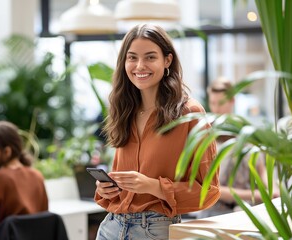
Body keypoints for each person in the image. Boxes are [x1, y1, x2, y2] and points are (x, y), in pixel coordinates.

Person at [94, 24, 220, 240]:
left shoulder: (189, 113)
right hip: (111, 227)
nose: (140, 66)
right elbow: (120, 176)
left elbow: (209, 191)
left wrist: (152, 186)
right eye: (132, 57)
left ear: (167, 60)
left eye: (150, 57)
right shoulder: (125, 109)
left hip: (154, 230)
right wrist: (106, 189)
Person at [197, 77, 279, 218]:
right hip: (213, 214)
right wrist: (258, 195)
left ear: (232, 101)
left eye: (221, 103)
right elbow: (209, 189)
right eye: (213, 103)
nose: (216, 109)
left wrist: (274, 191)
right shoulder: (205, 138)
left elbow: (262, 172)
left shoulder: (246, 134)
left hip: (245, 213)